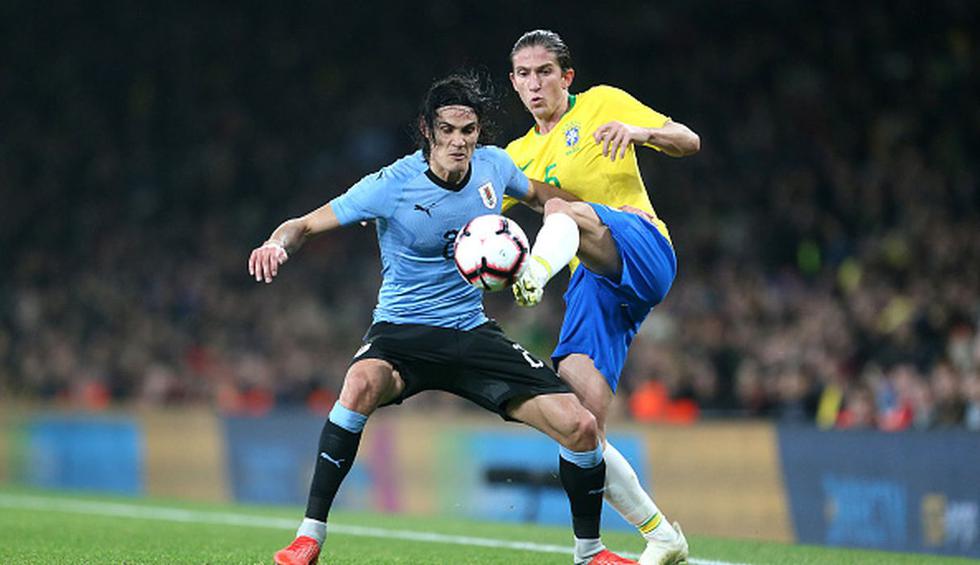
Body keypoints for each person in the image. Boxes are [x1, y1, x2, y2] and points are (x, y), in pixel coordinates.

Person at [249, 73, 638, 565]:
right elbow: (303, 224)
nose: (459, 142)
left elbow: (544, 196)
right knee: (359, 385)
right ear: (427, 131)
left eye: (468, 130)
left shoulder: (494, 167)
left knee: (580, 425)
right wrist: (275, 244)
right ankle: (309, 537)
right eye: (448, 130)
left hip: (471, 333)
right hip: (401, 333)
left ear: (479, 132)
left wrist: (588, 214)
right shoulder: (391, 185)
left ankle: (590, 553)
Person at [504, 30, 701, 565]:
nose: (534, 83)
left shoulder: (603, 103)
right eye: (523, 74)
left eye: (544, 71)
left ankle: (534, 277)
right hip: (593, 283)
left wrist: (639, 132)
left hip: (643, 245)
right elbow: (467, 200)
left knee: (561, 211)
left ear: (567, 77)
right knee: (579, 422)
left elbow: (689, 140)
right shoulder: (516, 155)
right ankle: (662, 535)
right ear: (515, 84)